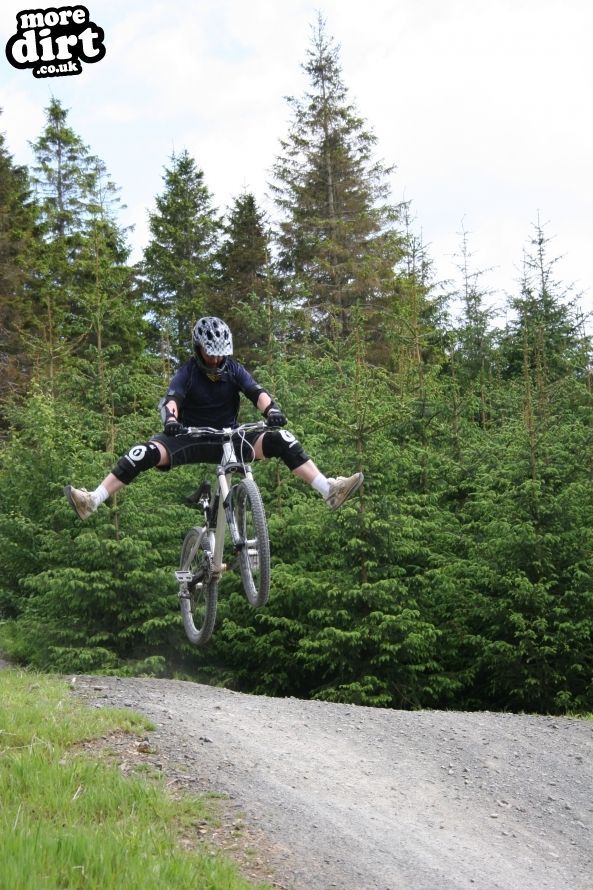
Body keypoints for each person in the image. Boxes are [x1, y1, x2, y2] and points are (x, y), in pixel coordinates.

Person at [64, 316, 364, 520]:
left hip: (229, 439)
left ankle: (329, 490)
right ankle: (92, 500)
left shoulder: (233, 369)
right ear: (198, 350)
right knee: (142, 453)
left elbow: (255, 391)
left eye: (221, 354)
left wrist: (271, 410)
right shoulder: (188, 372)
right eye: (211, 354)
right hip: (188, 437)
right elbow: (172, 400)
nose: (217, 360)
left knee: (283, 439)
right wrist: (171, 421)